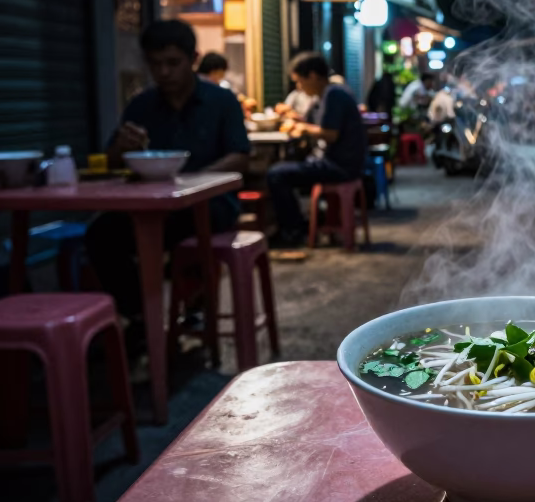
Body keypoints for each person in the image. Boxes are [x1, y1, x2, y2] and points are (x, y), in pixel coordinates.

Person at [85, 20, 250, 323]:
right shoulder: (141, 105)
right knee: (101, 234)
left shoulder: (221, 101)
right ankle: (139, 317)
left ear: (193, 59)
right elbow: (110, 163)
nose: (164, 72)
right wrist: (120, 148)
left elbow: (240, 156)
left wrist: (193, 182)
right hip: (150, 206)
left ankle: (196, 306)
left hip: (210, 205)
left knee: (191, 227)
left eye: (173, 63)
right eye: (155, 64)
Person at [266, 52, 367, 246]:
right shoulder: (329, 94)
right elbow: (321, 126)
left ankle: (293, 230)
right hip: (341, 162)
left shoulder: (334, 94)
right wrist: (300, 122)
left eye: (299, 81)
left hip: (340, 166)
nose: (299, 87)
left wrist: (303, 128)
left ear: (312, 76)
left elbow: (330, 134)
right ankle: (303, 223)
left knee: (276, 174)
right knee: (285, 170)